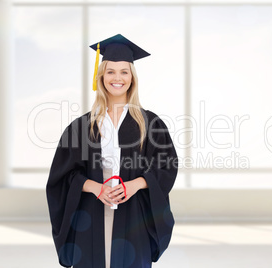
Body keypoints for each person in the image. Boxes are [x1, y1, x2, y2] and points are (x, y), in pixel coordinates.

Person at [46, 34, 178, 268]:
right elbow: (62, 176)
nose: (117, 78)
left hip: (134, 214)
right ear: (101, 77)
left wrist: (135, 184)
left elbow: (166, 166)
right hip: (90, 213)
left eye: (124, 72)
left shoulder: (150, 124)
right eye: (110, 72)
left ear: (132, 78)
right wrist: (96, 188)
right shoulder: (81, 126)